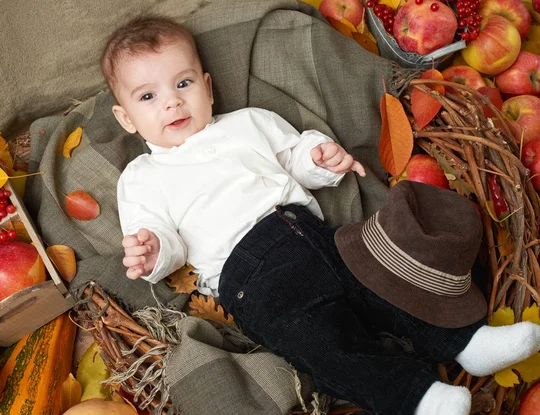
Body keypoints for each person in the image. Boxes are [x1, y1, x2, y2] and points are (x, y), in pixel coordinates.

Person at [102, 15, 540, 415]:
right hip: (251, 276)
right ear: (126, 118)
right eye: (148, 96)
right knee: (320, 342)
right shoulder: (142, 177)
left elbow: (294, 158)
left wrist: (320, 157)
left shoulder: (248, 123)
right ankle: (416, 396)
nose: (172, 104)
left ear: (208, 88)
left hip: (311, 232)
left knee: (387, 277)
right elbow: (164, 241)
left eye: (183, 84)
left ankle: (465, 341)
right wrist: (153, 250)